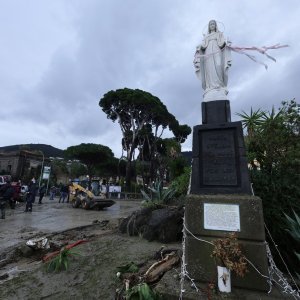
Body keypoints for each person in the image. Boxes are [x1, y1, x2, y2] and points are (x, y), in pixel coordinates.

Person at [194, 20, 231, 102]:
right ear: (209, 26)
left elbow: (221, 44)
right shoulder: (206, 36)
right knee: (210, 69)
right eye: (210, 24)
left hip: (217, 52)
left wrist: (226, 42)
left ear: (215, 25)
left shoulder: (219, 34)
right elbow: (203, 46)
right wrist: (199, 47)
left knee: (218, 66)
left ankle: (219, 86)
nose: (212, 25)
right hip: (208, 54)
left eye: (213, 24)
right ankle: (210, 87)